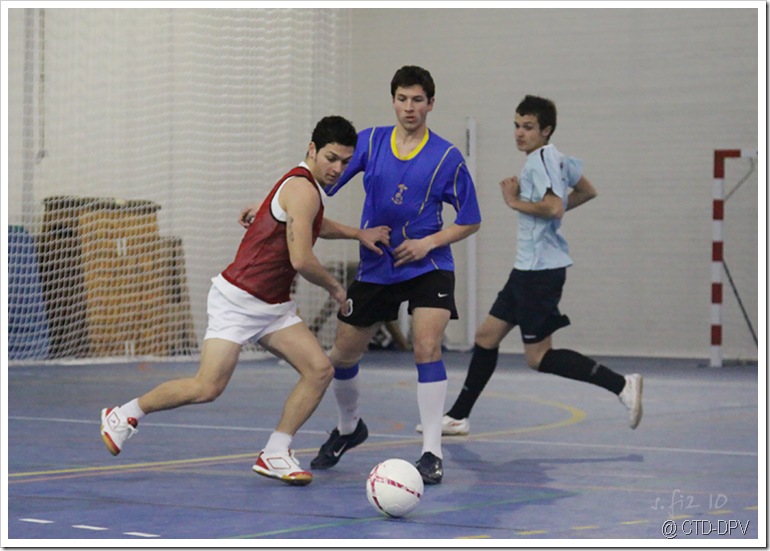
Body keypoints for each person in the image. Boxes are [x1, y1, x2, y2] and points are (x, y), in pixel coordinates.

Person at [100, 115, 390, 486]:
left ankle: (275, 452)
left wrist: (356, 233)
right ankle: (124, 415)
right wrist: (336, 287)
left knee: (319, 369)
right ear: (312, 149)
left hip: (272, 306)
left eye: (346, 162)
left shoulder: (306, 189)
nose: (338, 169)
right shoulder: (302, 189)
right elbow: (301, 258)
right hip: (237, 300)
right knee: (207, 388)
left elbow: (315, 222)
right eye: (332, 158)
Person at [421, 94, 642, 438]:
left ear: (546, 130)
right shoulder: (557, 157)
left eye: (528, 127)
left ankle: (622, 385)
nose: (519, 133)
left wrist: (514, 202)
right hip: (527, 270)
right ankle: (459, 416)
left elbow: (553, 208)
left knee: (539, 357)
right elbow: (586, 191)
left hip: (539, 273)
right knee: (486, 336)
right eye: (516, 126)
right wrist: (547, 211)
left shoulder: (539, 162)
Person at [307, 65, 481, 485]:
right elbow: (318, 183)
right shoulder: (369, 142)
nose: (409, 107)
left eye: (418, 100)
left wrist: (429, 243)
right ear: (393, 101)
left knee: (426, 347)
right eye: (402, 99)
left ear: (430, 104)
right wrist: (272, 205)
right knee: (342, 357)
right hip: (377, 263)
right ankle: (350, 428)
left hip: (427, 264)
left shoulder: (446, 157)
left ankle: (432, 452)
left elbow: (471, 219)